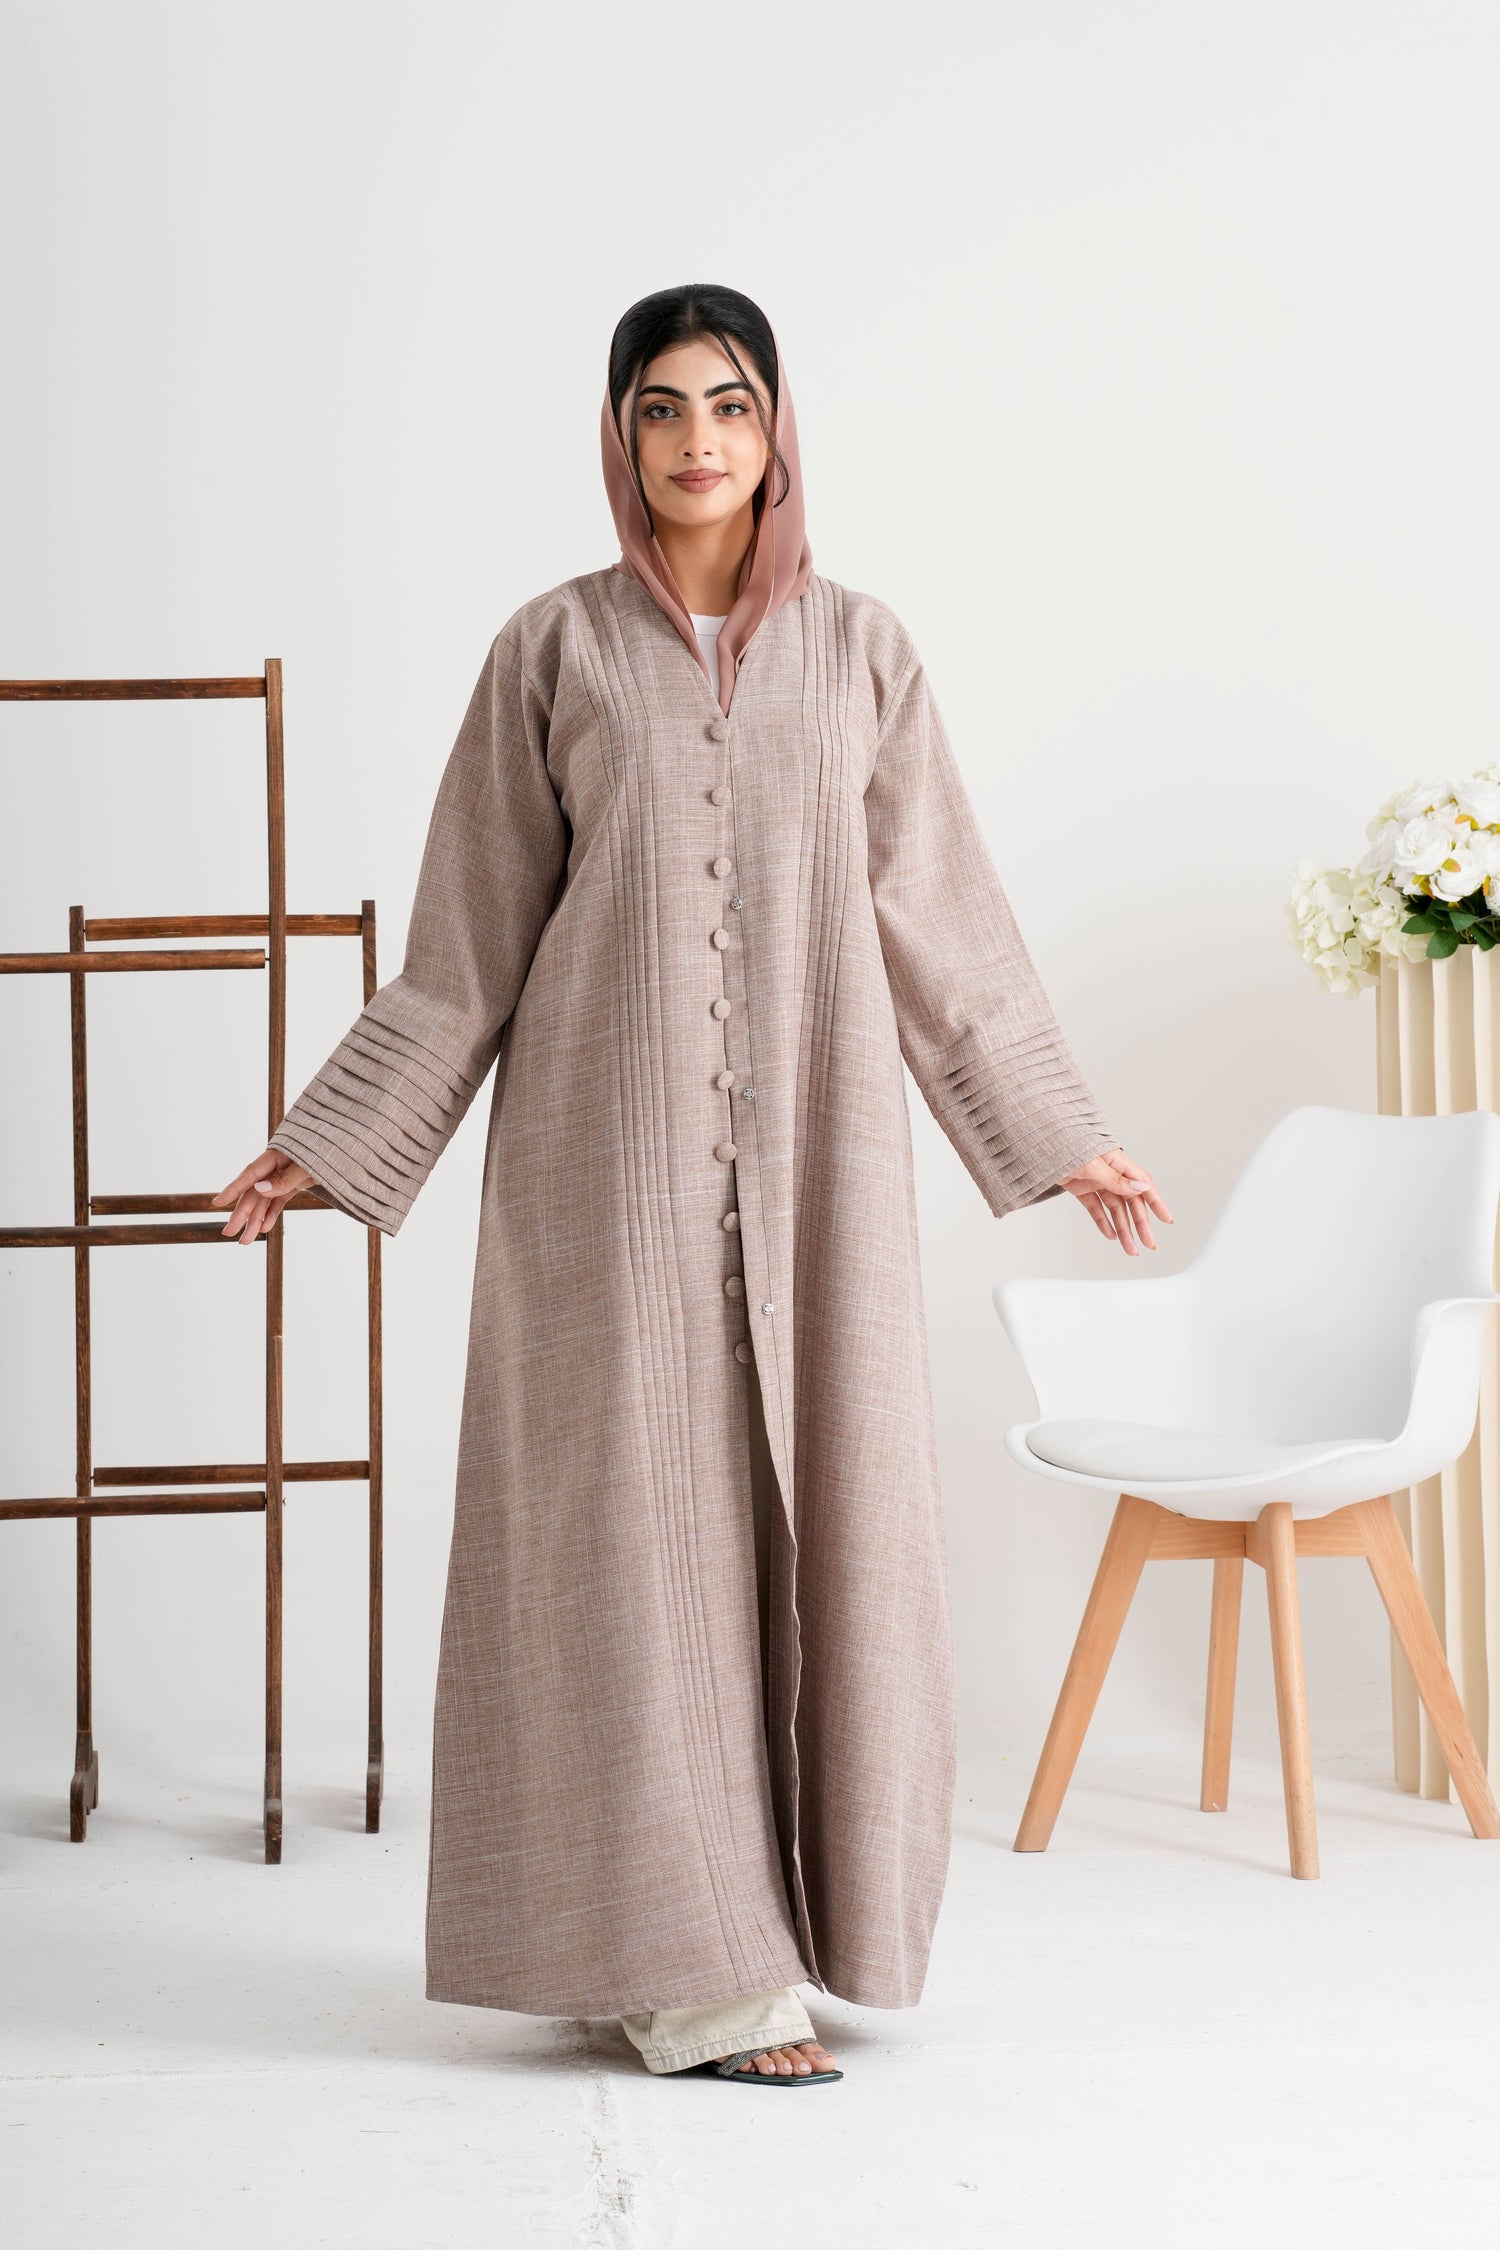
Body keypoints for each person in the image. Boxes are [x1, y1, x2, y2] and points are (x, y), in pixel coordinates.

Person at [214, 283, 1171, 2088]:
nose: (699, 440)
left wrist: (1058, 1130)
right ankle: (692, 1969)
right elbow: (466, 942)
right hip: (602, 1164)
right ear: (620, 436)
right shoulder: (552, 651)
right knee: (628, 1543)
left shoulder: (866, 651)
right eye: (661, 408)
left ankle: (764, 1935)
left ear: (777, 425)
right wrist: (333, 1134)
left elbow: (937, 914)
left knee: (835, 1527)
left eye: (730, 404)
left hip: (823, 1164)